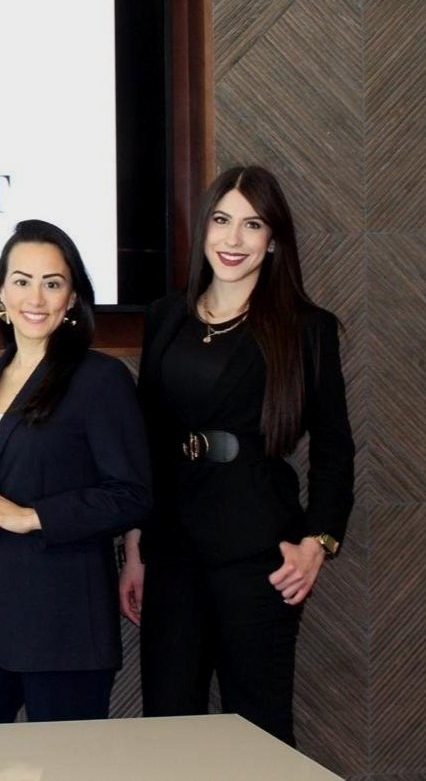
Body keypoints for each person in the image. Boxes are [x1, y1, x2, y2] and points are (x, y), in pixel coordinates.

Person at [118, 165, 355, 746]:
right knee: (169, 729)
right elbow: (146, 438)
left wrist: (317, 542)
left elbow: (334, 447)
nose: (233, 239)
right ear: (203, 229)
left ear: (273, 240)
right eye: (222, 221)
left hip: (258, 553)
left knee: (260, 729)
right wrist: (133, 545)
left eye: (252, 225)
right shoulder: (166, 317)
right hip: (171, 550)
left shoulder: (306, 329)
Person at [0, 219, 151, 725]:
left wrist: (33, 516)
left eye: (52, 283)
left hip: (65, 627)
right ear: (1, 293)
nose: (35, 296)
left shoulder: (100, 380)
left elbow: (134, 495)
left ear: (72, 299)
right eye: (21, 280)